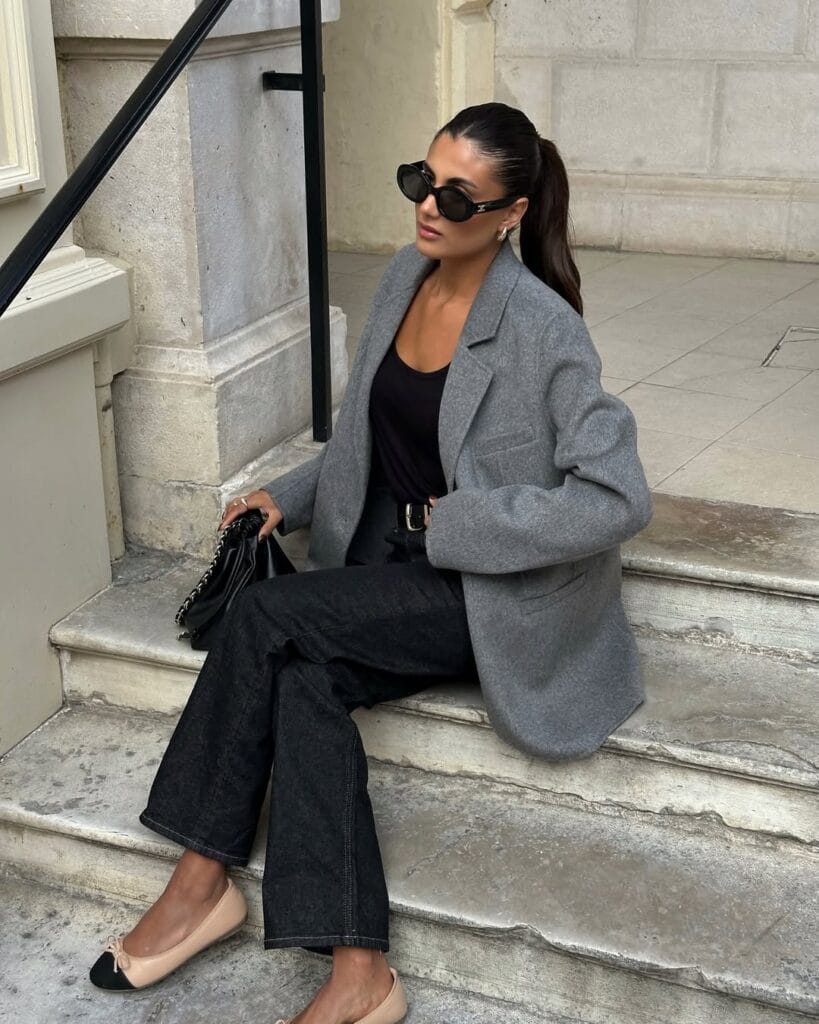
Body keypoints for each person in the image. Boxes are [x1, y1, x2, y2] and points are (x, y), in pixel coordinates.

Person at [89, 102, 652, 1024]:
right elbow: (366, 436)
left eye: (458, 197)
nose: (429, 207)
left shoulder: (543, 330)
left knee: (270, 621)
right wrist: (292, 495)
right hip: (383, 561)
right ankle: (361, 976)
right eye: (419, 182)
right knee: (303, 679)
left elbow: (617, 497)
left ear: (510, 214)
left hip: (476, 589)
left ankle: (197, 886)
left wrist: (465, 523)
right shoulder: (403, 276)